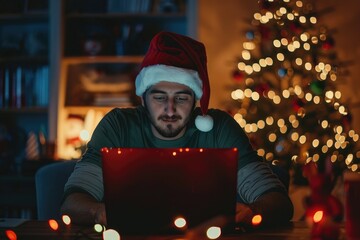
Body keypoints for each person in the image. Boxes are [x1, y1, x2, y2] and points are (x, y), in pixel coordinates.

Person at [60, 31, 293, 229]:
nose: (169, 109)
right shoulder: (117, 125)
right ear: (143, 98)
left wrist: (252, 212)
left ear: (195, 101)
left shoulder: (219, 127)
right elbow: (71, 204)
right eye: (159, 97)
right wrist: (98, 212)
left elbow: (279, 202)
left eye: (181, 98)